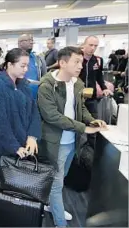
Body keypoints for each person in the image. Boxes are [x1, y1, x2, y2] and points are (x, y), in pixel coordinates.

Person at [37, 46, 108, 228]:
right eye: (76, 62)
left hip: (71, 142)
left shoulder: (77, 84)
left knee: (61, 178)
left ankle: (52, 206)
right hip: (54, 142)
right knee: (56, 183)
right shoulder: (46, 85)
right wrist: (83, 128)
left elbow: (80, 108)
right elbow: (52, 116)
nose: (80, 65)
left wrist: (92, 121)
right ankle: (60, 222)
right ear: (62, 63)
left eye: (81, 62)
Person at [0, 48, 41, 170]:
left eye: (27, 65)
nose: (26, 69)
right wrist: (14, 146)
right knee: (8, 183)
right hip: (7, 148)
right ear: (9, 64)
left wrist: (32, 136)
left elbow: (34, 112)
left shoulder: (24, 85)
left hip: (25, 144)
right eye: (22, 66)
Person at [79, 36, 112, 118]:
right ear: (84, 45)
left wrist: (104, 88)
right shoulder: (77, 58)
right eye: (90, 45)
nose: (93, 48)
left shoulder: (98, 60)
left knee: (94, 121)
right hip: (77, 96)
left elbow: (99, 76)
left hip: (91, 97)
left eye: (95, 46)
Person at [18, 34, 47, 99]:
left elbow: (44, 77)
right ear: (20, 43)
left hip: (35, 98)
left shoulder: (39, 59)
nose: (31, 42)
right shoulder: (12, 59)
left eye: (32, 40)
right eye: (28, 40)